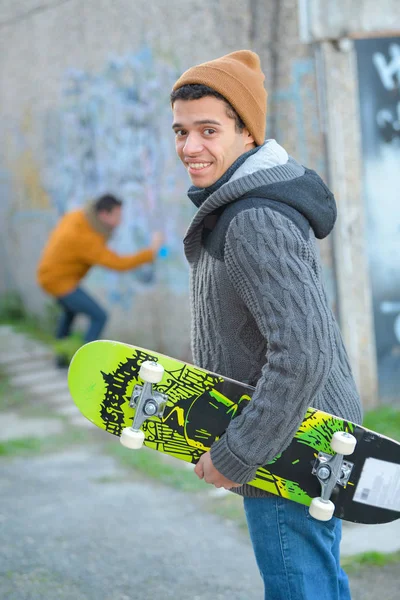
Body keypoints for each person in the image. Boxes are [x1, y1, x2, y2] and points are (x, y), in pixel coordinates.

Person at [170, 50, 362, 599]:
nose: (190, 147)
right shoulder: (245, 204)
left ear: (248, 133)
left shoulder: (254, 217)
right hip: (299, 437)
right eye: (181, 131)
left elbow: (301, 353)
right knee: (316, 582)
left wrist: (239, 454)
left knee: (300, 588)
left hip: (290, 447)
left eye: (208, 130)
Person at [37, 194, 162, 365]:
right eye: (117, 216)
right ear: (103, 215)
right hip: (58, 282)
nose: (120, 221)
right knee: (99, 316)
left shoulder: (79, 216)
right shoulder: (87, 239)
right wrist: (151, 252)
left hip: (49, 275)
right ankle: (82, 363)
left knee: (69, 313)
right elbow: (118, 264)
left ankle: (60, 358)